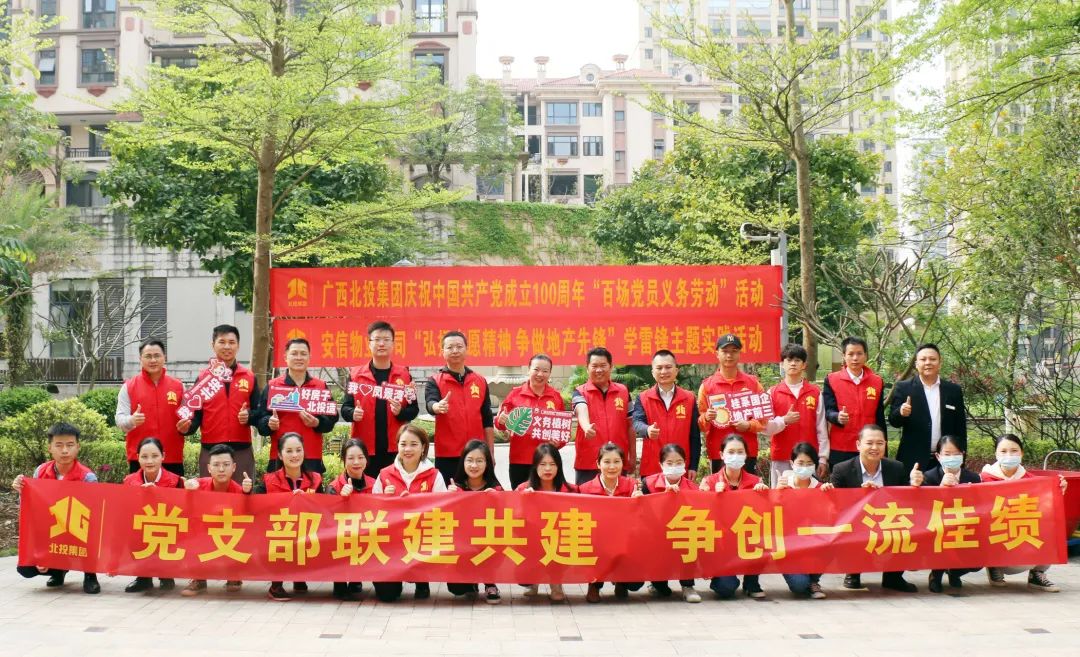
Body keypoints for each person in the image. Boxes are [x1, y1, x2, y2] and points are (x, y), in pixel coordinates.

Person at [829, 424, 921, 592]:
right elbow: (835, 505)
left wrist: (915, 484)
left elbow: (906, 502)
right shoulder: (842, 470)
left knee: (906, 527)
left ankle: (893, 577)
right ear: (858, 445)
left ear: (885, 445)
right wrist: (861, 496)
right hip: (856, 523)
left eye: (880, 443)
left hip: (888, 522)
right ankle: (853, 572)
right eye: (869, 443)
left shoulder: (896, 468)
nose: (875, 447)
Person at [12, 423, 100, 594]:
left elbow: (94, 516)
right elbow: (32, 510)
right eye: (59, 445)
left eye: (70, 445)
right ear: (50, 448)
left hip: (78, 531)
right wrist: (22, 491)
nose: (65, 451)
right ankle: (58, 570)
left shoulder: (87, 477)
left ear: (78, 447)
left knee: (90, 532)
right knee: (25, 568)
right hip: (51, 530)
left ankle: (90, 574)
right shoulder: (40, 471)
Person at [980, 433, 1067, 592]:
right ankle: (994, 565)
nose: (1009, 455)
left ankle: (1037, 573)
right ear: (996, 454)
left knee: (1049, 527)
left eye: (1014, 451)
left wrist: (1058, 488)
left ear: (1022, 453)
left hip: (1020, 532)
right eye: (1003, 451)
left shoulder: (1031, 480)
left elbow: (1047, 505)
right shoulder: (983, 479)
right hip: (997, 536)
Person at [372, 424, 447, 601]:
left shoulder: (434, 475)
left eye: (414, 444)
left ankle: (422, 581)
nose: (407, 449)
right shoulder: (384, 474)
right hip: (391, 542)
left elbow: (443, 509)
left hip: (422, 537)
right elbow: (372, 511)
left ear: (423, 447)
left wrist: (417, 502)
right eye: (403, 444)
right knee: (387, 595)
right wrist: (384, 499)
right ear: (397, 446)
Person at [340, 321, 419, 478]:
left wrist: (401, 412)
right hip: (364, 451)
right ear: (369, 344)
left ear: (393, 344)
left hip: (395, 449)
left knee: (394, 489)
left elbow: (414, 410)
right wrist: (353, 413)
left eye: (386, 339)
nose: (381, 344)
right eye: (377, 339)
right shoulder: (356, 375)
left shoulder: (404, 375)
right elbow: (345, 408)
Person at [182, 324, 258, 482]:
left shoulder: (249, 377)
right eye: (222, 342)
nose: (227, 347)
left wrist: (249, 416)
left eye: (232, 342)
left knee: (243, 494)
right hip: (210, 450)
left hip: (241, 449)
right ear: (213, 345)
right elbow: (195, 417)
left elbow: (260, 412)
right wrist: (186, 427)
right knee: (209, 495)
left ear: (238, 346)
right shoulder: (203, 378)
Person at [699, 434, 769, 600]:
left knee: (763, 538)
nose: (735, 456)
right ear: (721, 455)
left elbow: (767, 514)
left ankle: (751, 582)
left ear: (746, 455)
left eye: (740, 452)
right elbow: (699, 513)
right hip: (721, 542)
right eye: (731, 452)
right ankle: (720, 576)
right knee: (726, 588)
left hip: (746, 537)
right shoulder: (709, 481)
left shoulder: (756, 481)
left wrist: (764, 495)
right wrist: (711, 496)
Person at [254, 337, 337, 474]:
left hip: (311, 456)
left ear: (309, 357)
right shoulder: (273, 386)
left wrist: (317, 422)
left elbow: (332, 420)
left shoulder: (320, 386)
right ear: (285, 357)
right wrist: (269, 423)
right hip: (281, 456)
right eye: (294, 353)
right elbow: (259, 420)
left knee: (311, 489)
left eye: (303, 354)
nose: (299, 357)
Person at [181, 444, 252, 597]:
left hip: (228, 535)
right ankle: (199, 578)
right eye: (216, 465)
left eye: (226, 465)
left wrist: (248, 493)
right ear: (209, 468)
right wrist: (186, 490)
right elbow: (182, 507)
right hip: (204, 533)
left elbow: (249, 518)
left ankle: (234, 574)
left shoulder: (240, 490)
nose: (221, 469)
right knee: (191, 532)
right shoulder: (197, 485)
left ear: (234, 467)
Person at [259, 432, 323, 601]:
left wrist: (308, 500)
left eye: (298, 450)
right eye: (289, 451)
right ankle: (276, 584)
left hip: (305, 531)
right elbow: (255, 506)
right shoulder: (268, 481)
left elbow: (324, 508)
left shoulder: (315, 479)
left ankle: (299, 575)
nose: (295, 455)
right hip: (278, 532)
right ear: (280, 455)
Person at [425, 331, 495, 484]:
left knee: (478, 494)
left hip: (477, 453)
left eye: (459, 346)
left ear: (466, 349)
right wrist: (437, 406)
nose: (455, 351)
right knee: (450, 493)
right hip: (448, 454)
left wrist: (490, 451)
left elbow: (487, 419)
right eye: (450, 347)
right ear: (442, 352)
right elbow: (430, 403)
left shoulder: (479, 381)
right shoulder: (435, 381)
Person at [578, 443, 644, 603]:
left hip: (625, 541)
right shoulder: (585, 489)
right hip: (596, 541)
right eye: (607, 462)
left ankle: (621, 581)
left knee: (635, 583)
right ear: (598, 464)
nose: (612, 467)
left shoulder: (632, 486)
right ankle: (594, 584)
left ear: (623, 463)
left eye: (617, 461)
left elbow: (641, 518)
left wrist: (639, 501)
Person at [915, 435, 980, 593]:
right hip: (937, 528)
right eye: (947, 454)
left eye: (956, 454)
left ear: (963, 455)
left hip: (964, 528)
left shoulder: (973, 478)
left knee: (978, 561)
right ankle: (936, 575)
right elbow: (922, 508)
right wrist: (941, 489)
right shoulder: (929, 477)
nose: (952, 458)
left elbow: (981, 506)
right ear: (938, 456)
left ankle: (954, 572)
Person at [889, 343, 967, 473]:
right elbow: (893, 421)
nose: (928, 363)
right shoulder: (904, 388)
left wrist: (961, 459)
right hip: (913, 459)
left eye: (932, 359)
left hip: (946, 459)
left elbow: (960, 427)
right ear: (916, 364)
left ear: (940, 363)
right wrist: (901, 412)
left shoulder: (953, 390)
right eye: (923, 359)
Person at [639, 443, 701, 603]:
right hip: (656, 535)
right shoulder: (648, 483)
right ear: (661, 464)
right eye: (669, 463)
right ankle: (657, 582)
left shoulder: (693, 489)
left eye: (679, 462)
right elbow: (642, 513)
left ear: (685, 463)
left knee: (691, 538)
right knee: (662, 591)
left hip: (682, 534)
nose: (674, 466)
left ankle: (688, 585)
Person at [121, 437, 184, 593]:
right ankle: (143, 577)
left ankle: (166, 575)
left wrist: (160, 495)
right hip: (141, 528)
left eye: (155, 456)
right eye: (144, 456)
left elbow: (182, 511)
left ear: (163, 456)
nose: (149, 461)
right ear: (137, 457)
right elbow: (125, 511)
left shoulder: (176, 481)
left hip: (166, 528)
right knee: (132, 530)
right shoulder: (129, 481)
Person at [696, 334, 766, 475]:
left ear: (740, 354)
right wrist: (707, 418)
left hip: (746, 451)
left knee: (748, 488)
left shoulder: (753, 384)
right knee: (720, 488)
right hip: (719, 453)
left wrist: (749, 425)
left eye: (734, 351)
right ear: (717, 354)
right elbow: (701, 425)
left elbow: (763, 420)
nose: (729, 355)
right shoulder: (707, 386)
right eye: (725, 351)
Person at [115, 339, 187, 476]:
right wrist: (131, 420)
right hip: (140, 459)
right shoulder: (129, 387)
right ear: (140, 359)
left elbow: (188, 418)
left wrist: (186, 426)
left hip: (172, 457)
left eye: (157, 356)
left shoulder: (179, 386)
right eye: (148, 356)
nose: (153, 360)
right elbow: (120, 419)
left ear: (164, 357)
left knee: (174, 491)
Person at [515, 443, 576, 602]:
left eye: (552, 464)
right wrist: (523, 501)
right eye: (542, 464)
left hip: (560, 541)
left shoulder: (571, 490)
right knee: (523, 573)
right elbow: (513, 520)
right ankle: (532, 581)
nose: (547, 469)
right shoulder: (523, 489)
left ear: (559, 466)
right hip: (532, 542)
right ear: (535, 466)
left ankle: (556, 583)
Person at [495, 354, 565, 489]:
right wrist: (501, 420)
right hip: (520, 460)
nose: (540, 374)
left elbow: (562, 430)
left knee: (547, 497)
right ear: (528, 370)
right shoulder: (515, 395)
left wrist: (558, 443)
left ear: (550, 373)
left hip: (547, 462)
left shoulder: (556, 397)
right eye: (536, 369)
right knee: (521, 497)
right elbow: (500, 423)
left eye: (545, 371)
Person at [446, 440, 504, 604]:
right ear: (463, 462)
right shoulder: (455, 488)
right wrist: (448, 498)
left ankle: (490, 582)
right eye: (470, 460)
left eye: (480, 461)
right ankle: (471, 581)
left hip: (488, 544)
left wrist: (499, 500)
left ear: (487, 463)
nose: (474, 465)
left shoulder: (496, 489)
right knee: (457, 589)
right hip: (463, 545)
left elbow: (509, 518)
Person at [763, 343, 828, 486]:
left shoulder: (815, 392)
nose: (793, 363)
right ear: (782, 364)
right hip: (782, 456)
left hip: (808, 460)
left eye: (797, 360)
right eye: (789, 360)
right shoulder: (772, 393)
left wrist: (823, 458)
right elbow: (765, 428)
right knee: (780, 496)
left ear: (804, 365)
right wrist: (784, 420)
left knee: (809, 497)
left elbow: (821, 428)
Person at [774, 442, 832, 599]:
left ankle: (813, 580)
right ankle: (805, 580)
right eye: (800, 463)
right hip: (789, 547)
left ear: (815, 465)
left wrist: (830, 498)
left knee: (833, 543)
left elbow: (831, 519)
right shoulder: (783, 486)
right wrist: (777, 494)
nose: (804, 467)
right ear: (792, 463)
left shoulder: (821, 488)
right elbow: (771, 515)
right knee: (799, 586)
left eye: (809, 463)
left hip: (813, 544)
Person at [631, 349, 701, 478]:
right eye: (659, 368)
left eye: (668, 367)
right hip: (652, 468)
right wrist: (647, 430)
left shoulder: (689, 398)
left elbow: (695, 435)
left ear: (676, 370)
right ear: (653, 372)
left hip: (680, 467)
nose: (663, 372)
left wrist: (693, 466)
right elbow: (636, 422)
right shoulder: (643, 398)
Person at [571, 347, 635, 485]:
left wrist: (633, 457)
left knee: (618, 498)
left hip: (617, 462)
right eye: (594, 366)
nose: (599, 370)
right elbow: (581, 409)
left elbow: (631, 426)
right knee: (586, 499)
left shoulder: (623, 391)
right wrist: (586, 426)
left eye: (603, 365)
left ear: (611, 367)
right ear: (587, 368)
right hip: (588, 463)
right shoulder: (579, 392)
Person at [822, 337, 887, 470]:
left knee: (870, 482)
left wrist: (884, 449)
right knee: (841, 482)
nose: (855, 358)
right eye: (851, 354)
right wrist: (837, 417)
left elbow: (879, 417)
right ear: (844, 356)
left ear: (866, 355)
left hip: (870, 446)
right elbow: (828, 411)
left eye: (859, 353)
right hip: (841, 446)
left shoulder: (877, 382)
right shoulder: (832, 379)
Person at [327, 439, 376, 602]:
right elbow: (327, 520)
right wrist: (341, 500)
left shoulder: (375, 484)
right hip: (342, 538)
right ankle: (339, 583)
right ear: (343, 460)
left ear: (366, 459)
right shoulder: (334, 486)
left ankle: (356, 579)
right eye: (351, 458)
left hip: (368, 537)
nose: (356, 462)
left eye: (361, 457)